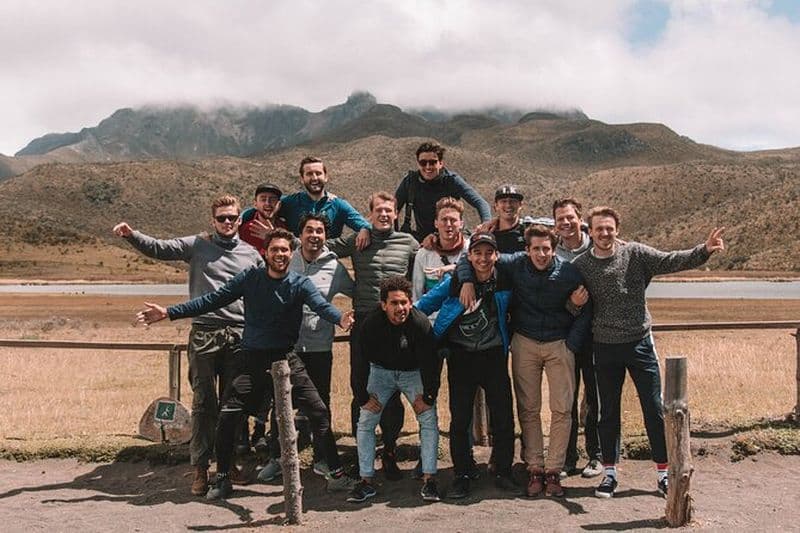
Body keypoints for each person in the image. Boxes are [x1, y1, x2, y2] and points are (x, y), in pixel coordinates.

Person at [136, 228, 357, 499]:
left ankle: (335, 474)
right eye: (274, 249)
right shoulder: (250, 278)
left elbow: (322, 306)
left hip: (286, 358)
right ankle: (223, 478)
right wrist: (169, 312)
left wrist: (341, 319)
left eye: (285, 250)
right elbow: (212, 300)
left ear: (292, 253)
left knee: (319, 412)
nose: (280, 254)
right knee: (228, 416)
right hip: (251, 358)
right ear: (265, 252)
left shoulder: (299, 284)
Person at [112, 194, 263, 497]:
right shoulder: (198, 244)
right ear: (213, 221)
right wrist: (133, 235)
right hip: (204, 335)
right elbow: (161, 248)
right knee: (204, 404)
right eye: (221, 218)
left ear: (240, 219)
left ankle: (227, 463)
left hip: (238, 335)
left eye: (232, 217)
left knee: (233, 406)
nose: (227, 222)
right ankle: (200, 469)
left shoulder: (252, 255)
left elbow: (263, 292)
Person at [571, 206, 725, 498]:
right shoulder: (581, 266)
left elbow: (670, 260)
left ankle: (664, 473)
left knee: (654, 408)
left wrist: (703, 250)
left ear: (617, 229)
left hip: (640, 343)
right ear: (589, 232)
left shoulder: (636, 254)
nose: (604, 233)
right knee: (607, 412)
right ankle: (610, 474)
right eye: (599, 229)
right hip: (604, 346)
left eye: (609, 228)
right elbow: (568, 304)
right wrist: (575, 304)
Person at [457, 225, 591, 498]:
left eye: (546, 249)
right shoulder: (516, 263)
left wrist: (571, 344)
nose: (541, 254)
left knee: (562, 409)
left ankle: (554, 470)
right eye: (536, 249)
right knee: (528, 409)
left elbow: (587, 308)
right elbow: (470, 257)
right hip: (525, 342)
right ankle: (535, 469)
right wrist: (467, 280)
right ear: (526, 250)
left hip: (559, 343)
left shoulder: (568, 271)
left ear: (554, 250)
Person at [415, 233, 517, 499]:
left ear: (496, 256)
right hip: (460, 356)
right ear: (469, 256)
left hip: (493, 355)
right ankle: (462, 472)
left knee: (503, 415)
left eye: (489, 253)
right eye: (477, 253)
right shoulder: (454, 282)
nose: (483, 258)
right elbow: (422, 307)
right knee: (460, 418)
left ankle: (503, 470)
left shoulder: (504, 281)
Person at [327, 191, 419, 480]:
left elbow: (428, 261)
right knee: (361, 388)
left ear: (395, 213)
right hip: (365, 321)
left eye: (389, 210)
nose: (384, 214)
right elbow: (320, 245)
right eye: (378, 210)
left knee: (393, 389)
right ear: (370, 214)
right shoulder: (358, 239)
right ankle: (362, 452)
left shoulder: (408, 243)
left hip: (397, 323)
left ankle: (389, 449)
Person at [258, 213, 355, 481]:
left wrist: (354, 315)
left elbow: (357, 292)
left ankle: (322, 460)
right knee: (280, 404)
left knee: (320, 405)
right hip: (284, 346)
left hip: (318, 347)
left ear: (326, 236)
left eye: (320, 231)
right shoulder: (286, 259)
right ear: (299, 236)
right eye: (309, 230)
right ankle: (279, 458)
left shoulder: (334, 267)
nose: (315, 235)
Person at [347, 276, 442, 504]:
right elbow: (358, 361)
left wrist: (428, 396)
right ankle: (366, 481)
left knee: (428, 418)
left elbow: (432, 362)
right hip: (381, 372)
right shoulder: (370, 324)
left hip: (413, 373)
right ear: (383, 305)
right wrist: (362, 396)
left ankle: (429, 480)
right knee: (366, 420)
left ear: (410, 302)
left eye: (404, 303)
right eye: (394, 303)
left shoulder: (419, 323)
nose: (400, 308)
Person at [553, 198, 602, 479]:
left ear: (580, 218)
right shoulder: (553, 252)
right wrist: (572, 305)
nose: (566, 223)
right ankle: (567, 458)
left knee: (595, 398)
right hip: (566, 336)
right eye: (560, 219)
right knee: (567, 399)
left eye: (570, 217)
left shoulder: (596, 245)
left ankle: (596, 456)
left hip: (596, 335)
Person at [395, 142, 491, 241]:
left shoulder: (451, 180)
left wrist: (486, 225)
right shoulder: (410, 181)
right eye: (423, 163)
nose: (428, 167)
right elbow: (394, 209)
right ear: (418, 164)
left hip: (452, 235)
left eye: (432, 162)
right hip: (424, 239)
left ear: (440, 163)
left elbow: (480, 203)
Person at [278, 156, 371, 249]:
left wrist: (364, 229)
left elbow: (364, 224)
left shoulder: (338, 205)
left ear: (326, 177)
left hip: (327, 259)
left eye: (318, 173)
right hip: (296, 259)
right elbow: (268, 207)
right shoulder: (289, 202)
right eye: (309, 174)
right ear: (302, 179)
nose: (314, 178)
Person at [411, 197, 468, 306]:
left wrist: (455, 268)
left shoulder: (471, 249)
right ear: (436, 223)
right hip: (432, 319)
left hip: (461, 318)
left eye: (453, 220)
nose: (448, 224)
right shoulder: (424, 254)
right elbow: (416, 294)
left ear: (461, 224)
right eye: (444, 219)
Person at [239, 182, 288, 250]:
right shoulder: (246, 229)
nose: (267, 203)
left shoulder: (284, 227)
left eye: (272, 199)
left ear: (279, 205)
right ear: (255, 204)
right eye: (263, 199)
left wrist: (273, 236)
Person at [491, 185, 527, 253]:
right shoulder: (489, 234)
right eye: (503, 201)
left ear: (520, 205)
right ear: (496, 206)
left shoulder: (528, 231)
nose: (508, 205)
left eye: (513, 201)